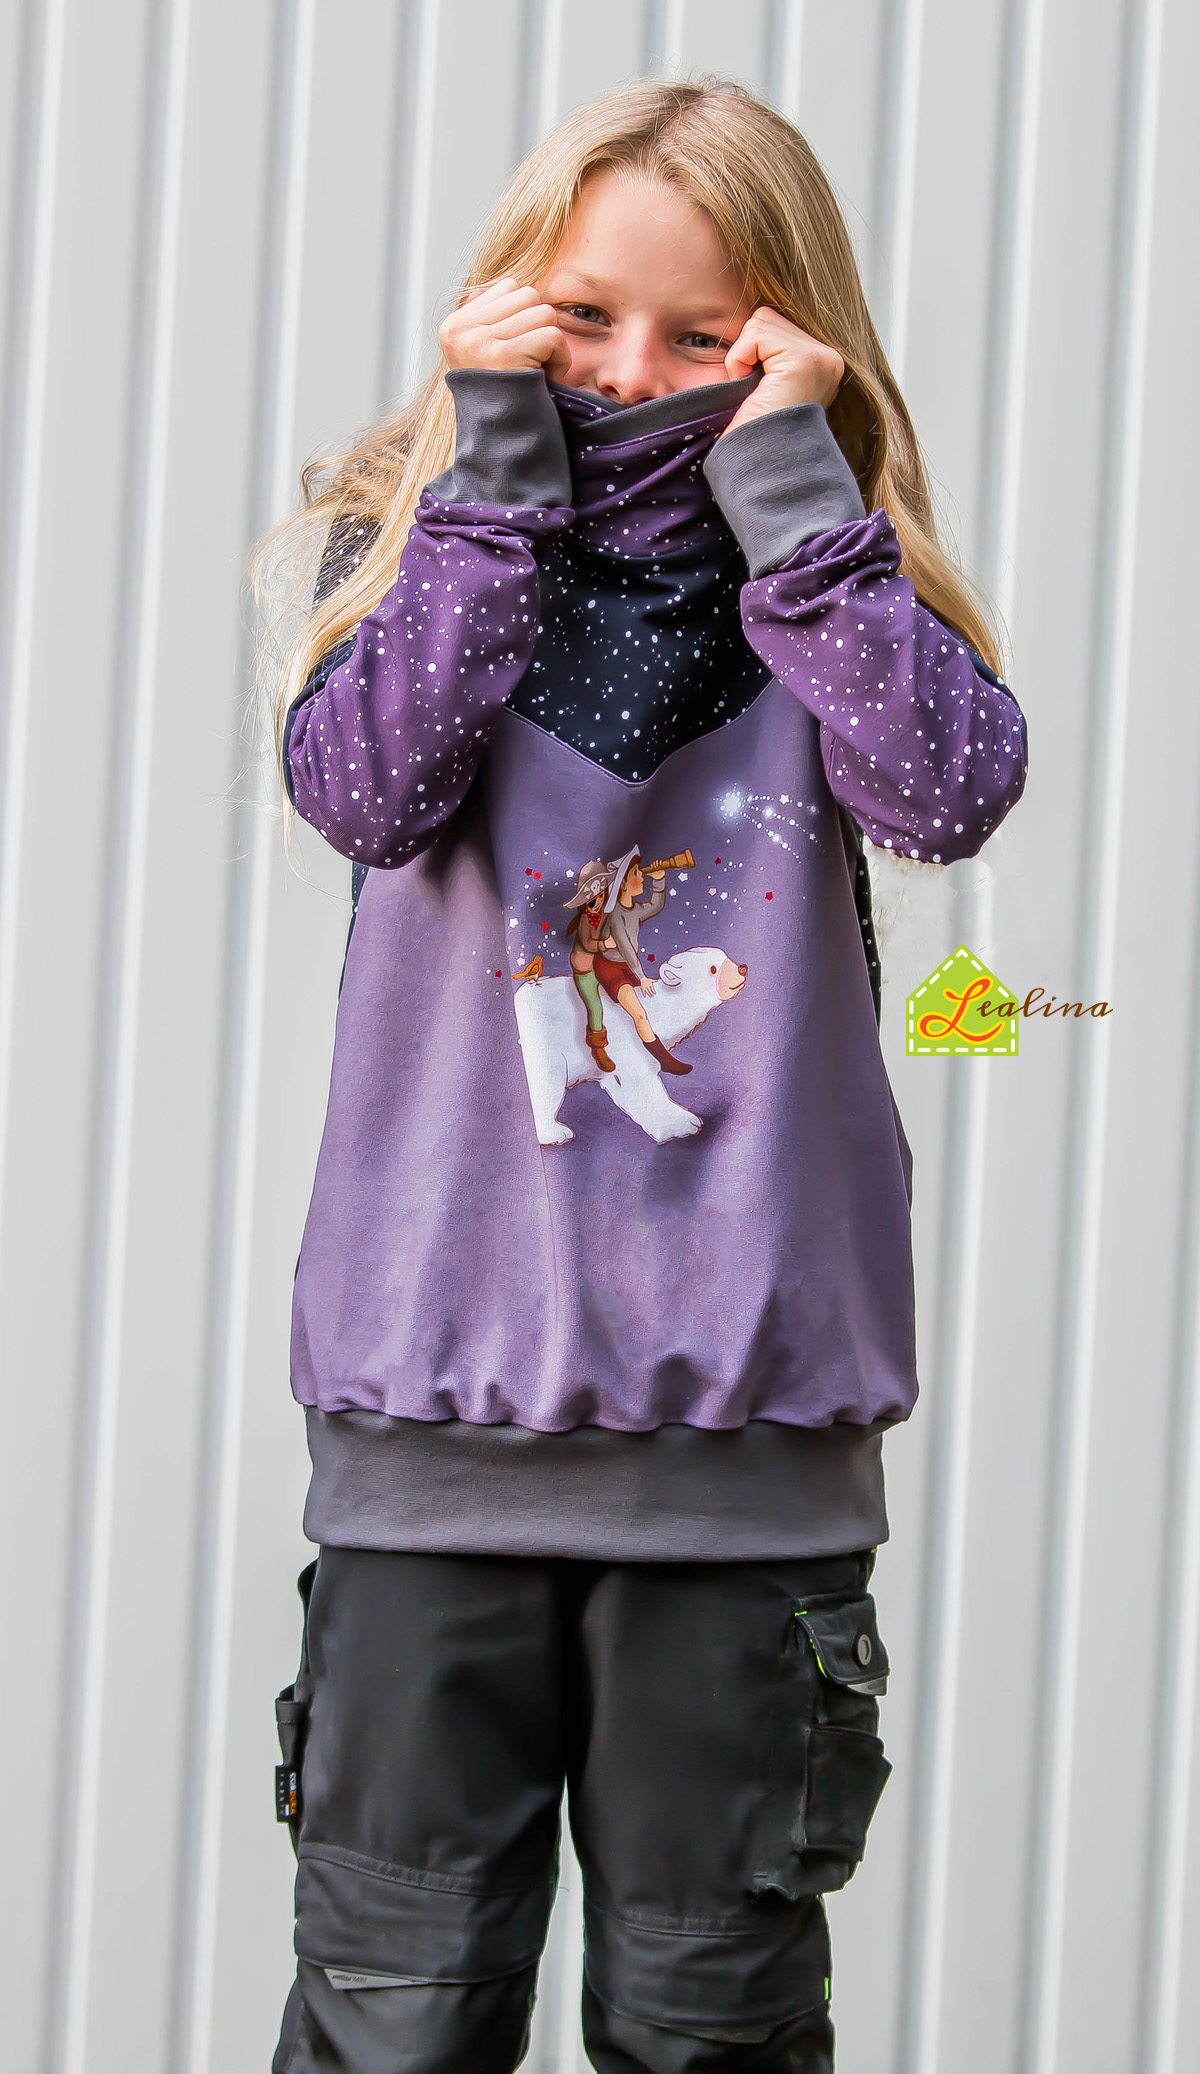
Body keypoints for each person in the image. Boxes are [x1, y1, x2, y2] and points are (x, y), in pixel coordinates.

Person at [251, 75, 1028, 2074]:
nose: (629, 373)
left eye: (703, 334)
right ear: (509, 295)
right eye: (586, 314)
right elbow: (365, 789)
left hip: (745, 1459)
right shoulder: (415, 547)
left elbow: (946, 794)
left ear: (790, 341)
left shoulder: (837, 587)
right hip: (436, 1434)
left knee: (715, 2030)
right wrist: (490, 491)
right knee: (393, 2020)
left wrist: (799, 507)